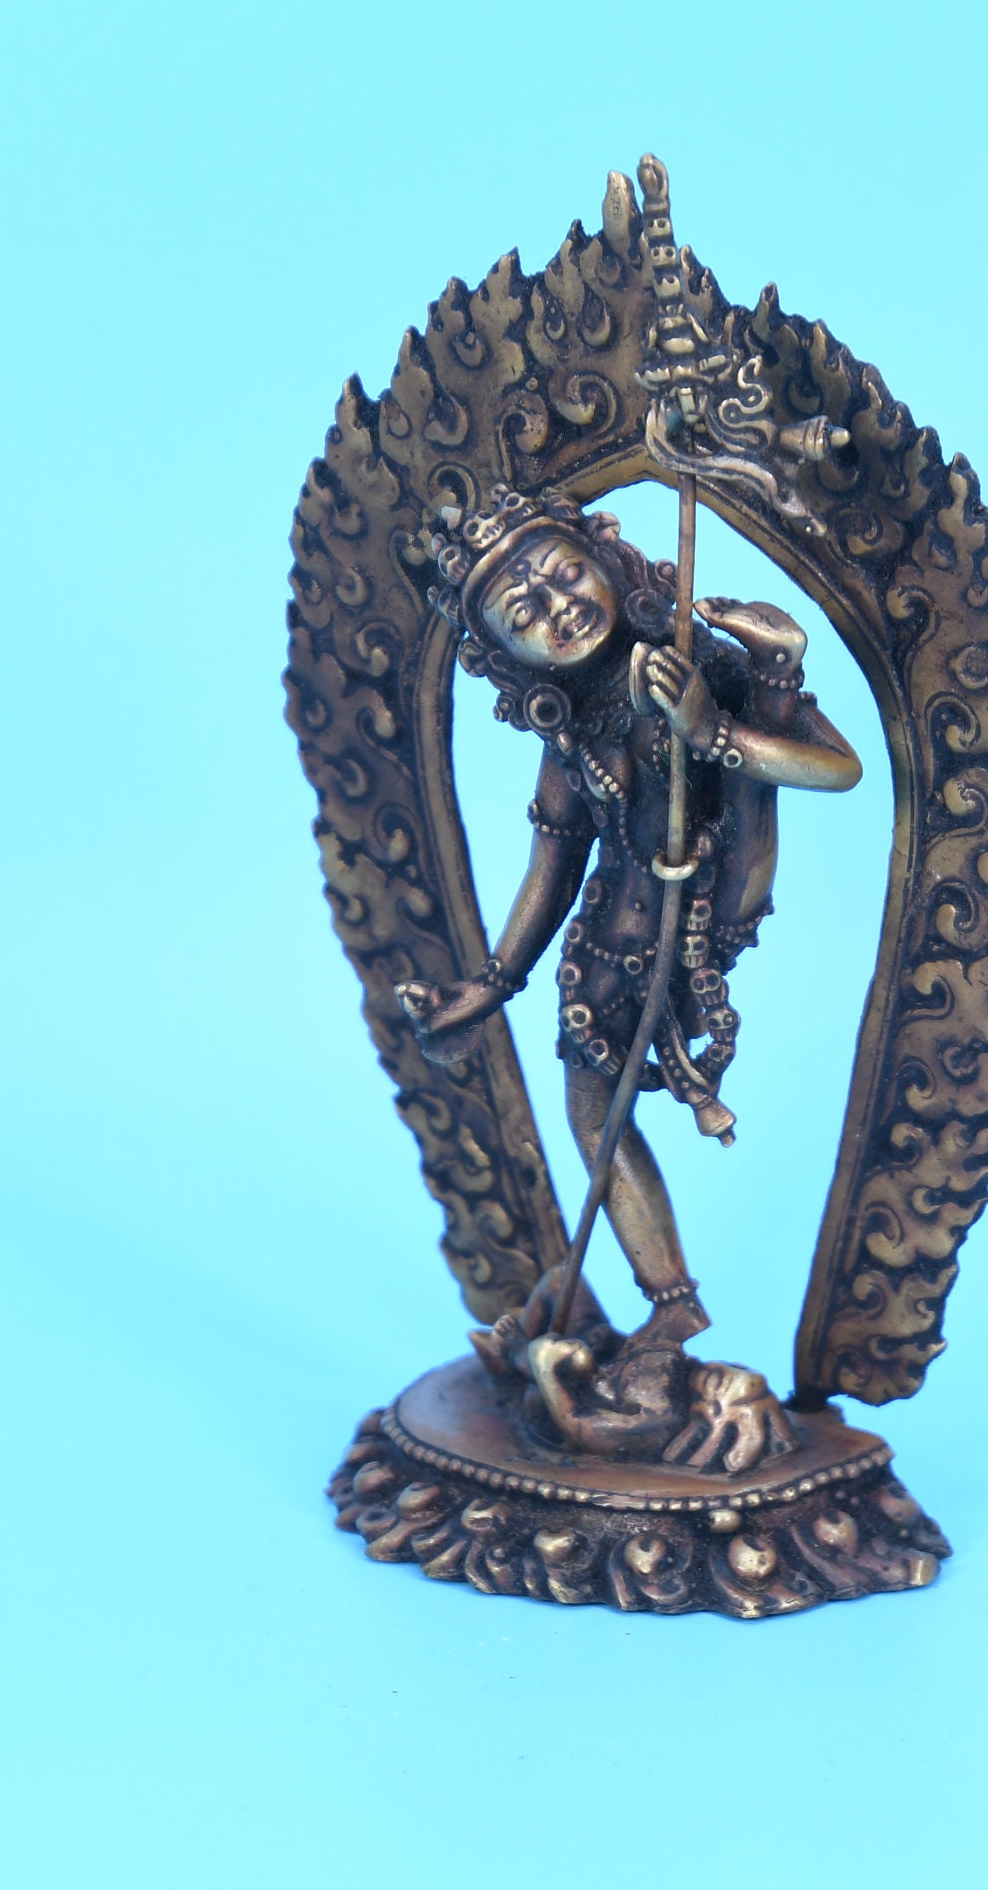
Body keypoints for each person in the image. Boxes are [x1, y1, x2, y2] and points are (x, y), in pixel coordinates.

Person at [397, 490, 862, 1372]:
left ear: (606, 560)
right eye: (523, 613)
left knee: (595, 1113)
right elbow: (553, 861)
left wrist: (718, 723)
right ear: (503, 654)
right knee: (590, 1113)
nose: (559, 608)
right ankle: (668, 1302)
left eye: (565, 575)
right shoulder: (568, 727)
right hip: (606, 938)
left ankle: (672, 1304)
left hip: (703, 918)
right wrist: (491, 984)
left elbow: (837, 768)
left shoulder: (694, 664)